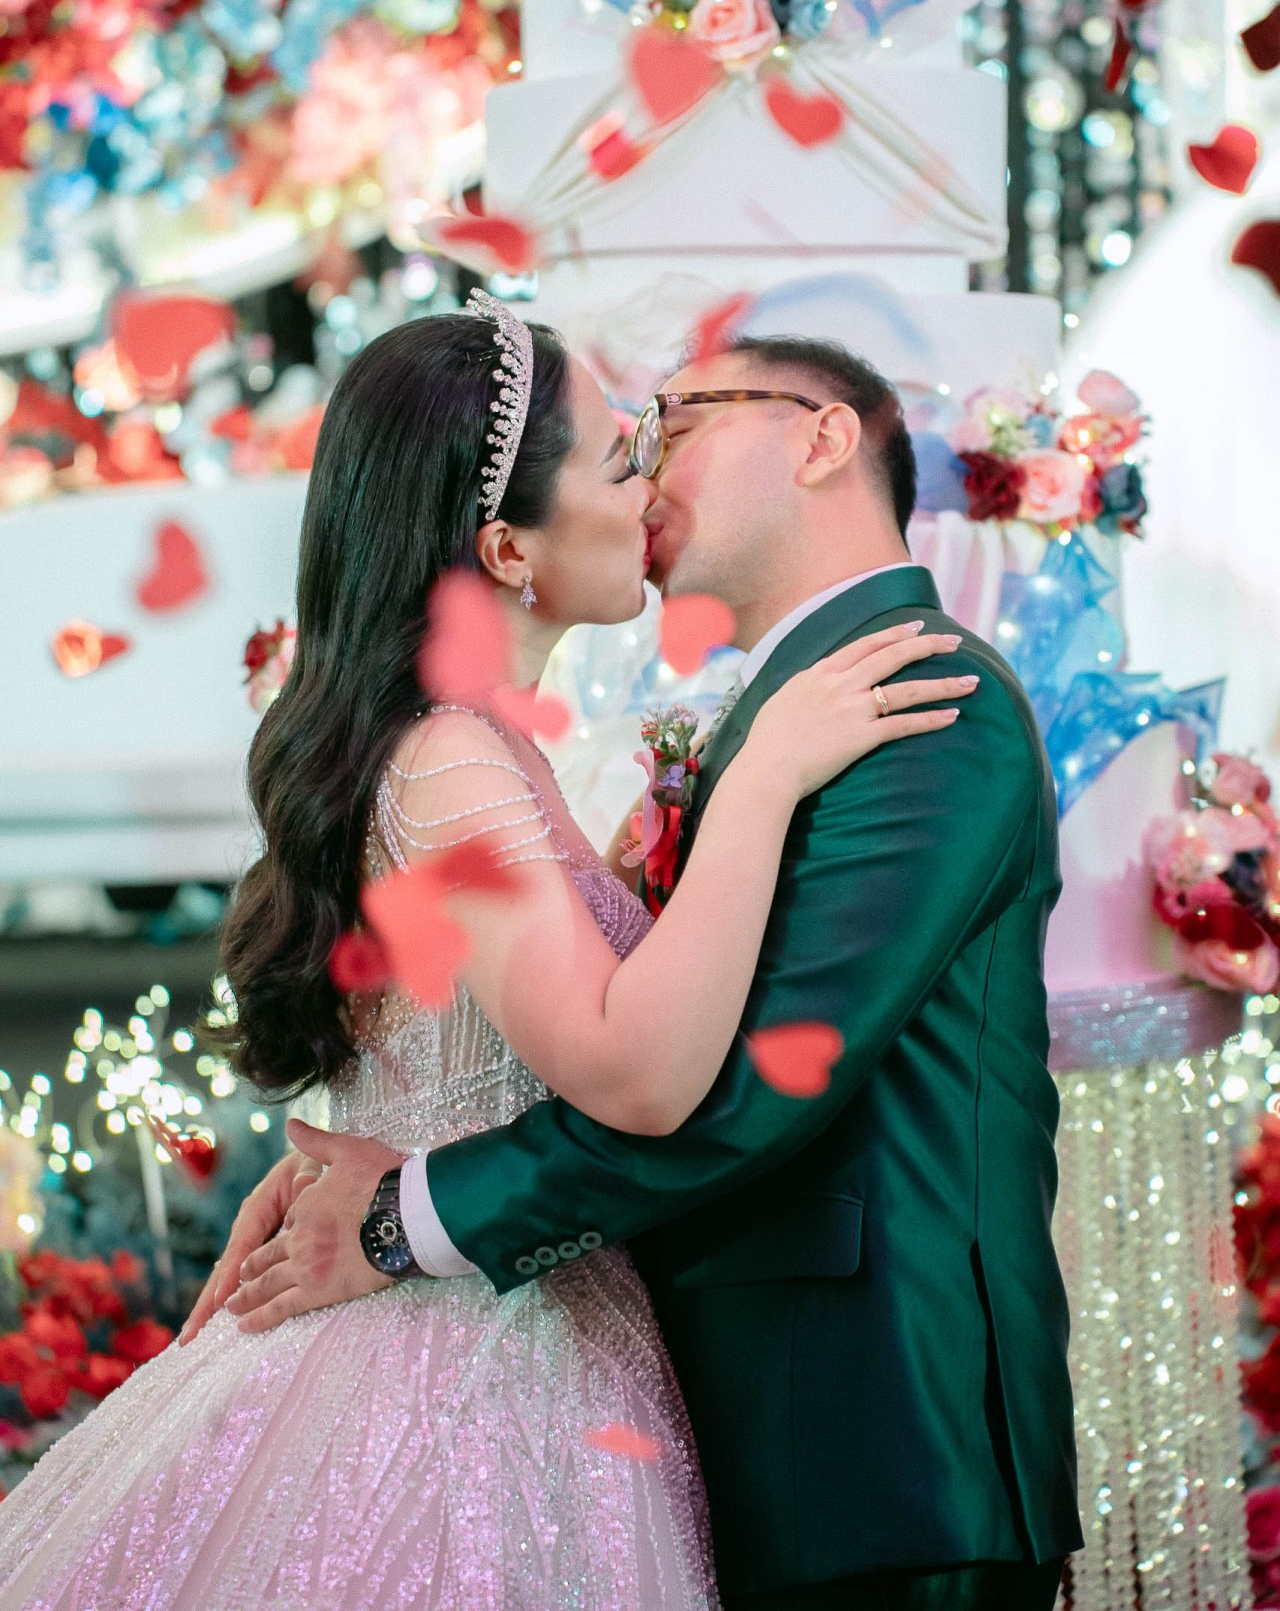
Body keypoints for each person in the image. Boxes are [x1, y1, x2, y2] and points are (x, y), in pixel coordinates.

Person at [0, 297, 971, 1611]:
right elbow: (639, 1078)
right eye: (620, 462)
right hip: (463, 1368)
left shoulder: (475, 748)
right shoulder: (452, 759)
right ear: (508, 548)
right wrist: (760, 782)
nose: (650, 493)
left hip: (485, 1303)